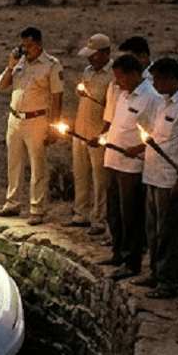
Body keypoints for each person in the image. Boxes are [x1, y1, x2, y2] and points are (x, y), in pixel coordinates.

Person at [129, 58, 178, 300]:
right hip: (153, 174)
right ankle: (155, 272)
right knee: (153, 229)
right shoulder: (163, 102)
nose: (155, 84)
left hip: (170, 180)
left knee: (168, 231)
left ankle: (168, 281)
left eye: (158, 79)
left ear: (171, 77)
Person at [0, 26, 62, 225]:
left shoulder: (51, 65)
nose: (26, 49)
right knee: (13, 163)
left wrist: (54, 126)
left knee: (37, 166)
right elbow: (1, 86)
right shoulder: (19, 62)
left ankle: (37, 209)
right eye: (23, 45)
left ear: (39, 44)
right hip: (15, 118)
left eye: (30, 45)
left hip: (37, 119)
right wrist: (11, 66)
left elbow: (57, 97)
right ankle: (12, 203)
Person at [100, 53, 160, 280]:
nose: (117, 83)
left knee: (130, 215)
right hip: (112, 160)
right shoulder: (123, 95)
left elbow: (155, 134)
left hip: (131, 167)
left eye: (120, 78)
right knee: (114, 211)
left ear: (134, 74)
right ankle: (118, 251)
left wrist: (138, 148)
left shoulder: (151, 98)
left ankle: (131, 260)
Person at [67, 33, 115, 234]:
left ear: (105, 53)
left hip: (98, 133)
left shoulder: (113, 76)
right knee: (80, 173)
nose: (90, 59)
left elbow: (112, 108)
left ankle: (99, 218)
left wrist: (104, 134)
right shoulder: (88, 71)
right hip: (80, 130)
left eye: (94, 55)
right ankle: (81, 213)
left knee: (99, 178)